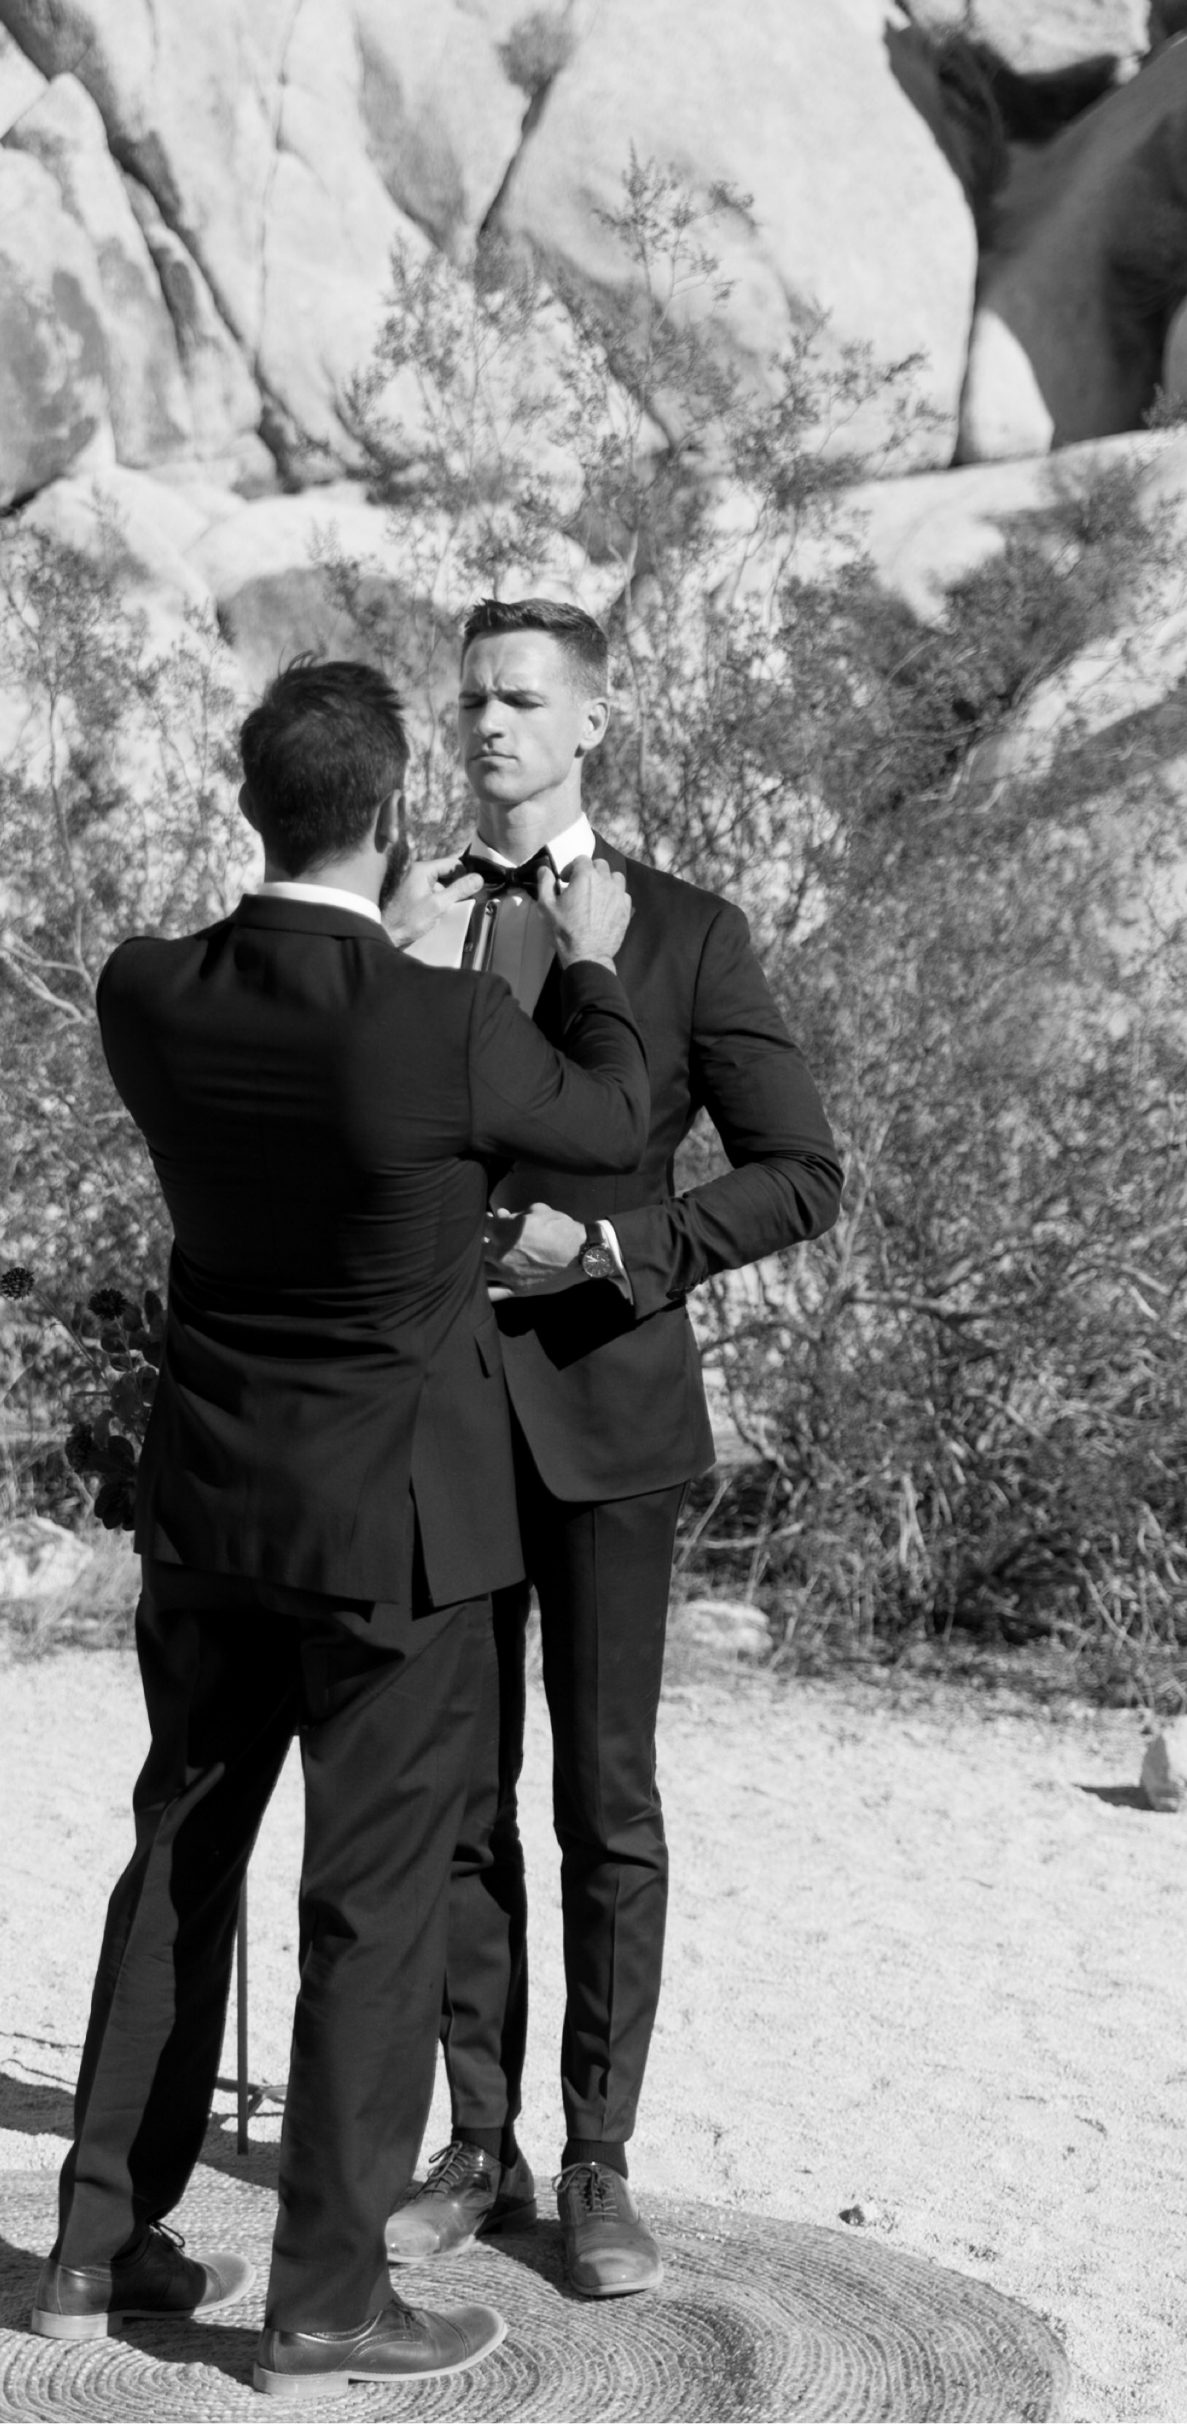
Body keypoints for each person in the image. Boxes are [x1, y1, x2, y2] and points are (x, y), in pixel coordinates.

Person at [33, 657, 651, 2398]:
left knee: (178, 1858)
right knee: (371, 1906)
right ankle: (324, 2302)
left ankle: (94, 2243)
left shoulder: (144, 993)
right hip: (396, 1538)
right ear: (392, 822)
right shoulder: (444, 1022)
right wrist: (587, 958)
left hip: (212, 1516)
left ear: (249, 806)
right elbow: (609, 1124)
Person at [383, 597, 843, 2297]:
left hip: (611, 1417)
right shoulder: (402, 913)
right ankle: (472, 2145)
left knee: (607, 1802)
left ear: (591, 722)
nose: (486, 726)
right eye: (469, 701)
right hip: (433, 1421)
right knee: (451, 1802)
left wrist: (618, 1253)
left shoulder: (691, 931)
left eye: (517, 701)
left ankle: (598, 2164)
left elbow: (802, 1168)